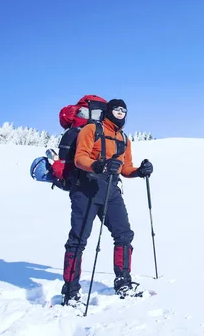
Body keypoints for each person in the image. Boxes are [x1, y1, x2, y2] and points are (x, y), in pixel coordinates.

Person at [61, 98, 154, 306]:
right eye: (116, 109)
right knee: (78, 240)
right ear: (109, 111)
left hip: (111, 190)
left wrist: (139, 171)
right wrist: (100, 166)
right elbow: (79, 158)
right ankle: (70, 291)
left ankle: (123, 281)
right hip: (85, 189)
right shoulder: (91, 130)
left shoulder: (123, 138)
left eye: (124, 110)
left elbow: (125, 167)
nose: (120, 113)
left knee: (124, 234)